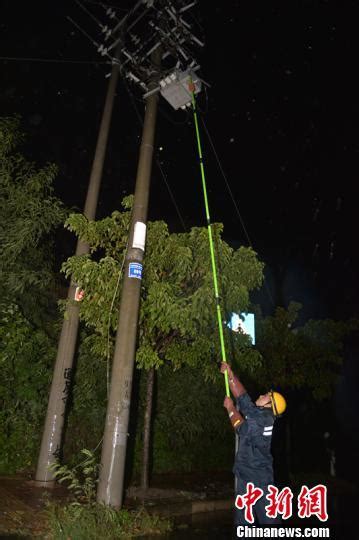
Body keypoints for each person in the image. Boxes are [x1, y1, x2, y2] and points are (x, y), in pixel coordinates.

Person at [221, 362, 286, 527]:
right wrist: (230, 375)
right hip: (246, 473)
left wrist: (230, 409)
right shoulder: (260, 413)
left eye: (266, 396)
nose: (263, 395)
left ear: (269, 405)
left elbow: (241, 429)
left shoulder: (263, 419)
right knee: (243, 521)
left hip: (258, 478)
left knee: (269, 522)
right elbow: (243, 398)